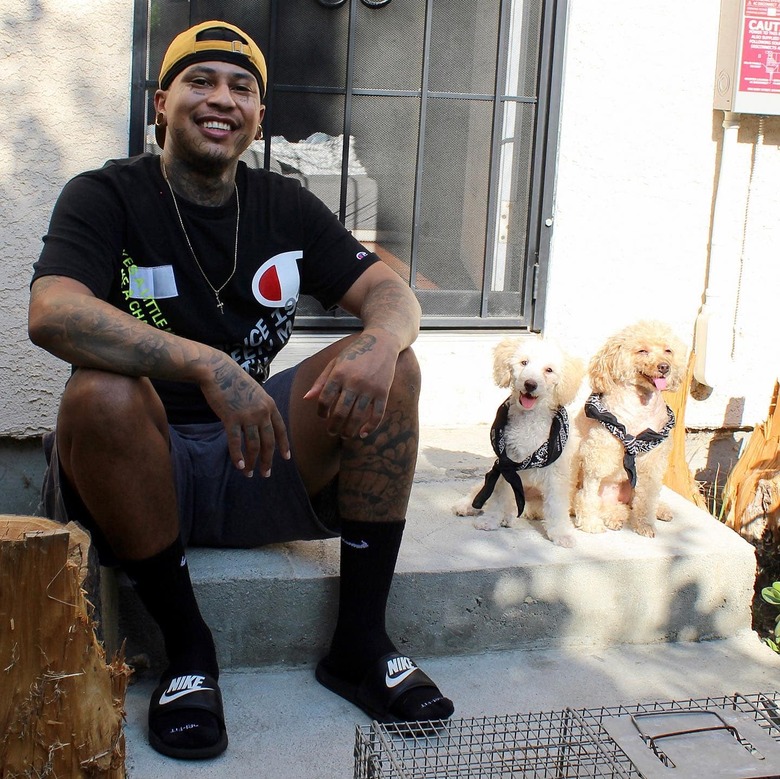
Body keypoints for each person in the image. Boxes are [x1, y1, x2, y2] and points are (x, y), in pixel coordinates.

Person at [28, 20, 453, 761]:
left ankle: (359, 641)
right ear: (160, 103)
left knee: (396, 365)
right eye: (200, 81)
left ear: (260, 118)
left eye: (241, 87)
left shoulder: (283, 205)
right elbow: (52, 312)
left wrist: (383, 340)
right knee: (100, 393)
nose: (220, 99)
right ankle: (188, 650)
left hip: (253, 453)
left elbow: (392, 293)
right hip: (142, 467)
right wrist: (208, 363)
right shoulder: (104, 194)